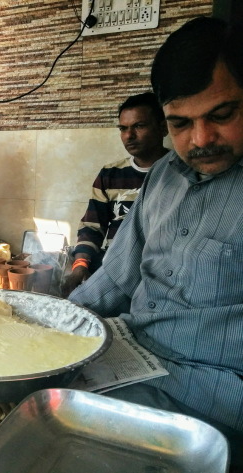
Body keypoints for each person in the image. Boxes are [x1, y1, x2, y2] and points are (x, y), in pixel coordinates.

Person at [69, 16, 243, 468]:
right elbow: (114, 277)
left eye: (221, 115)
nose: (201, 139)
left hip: (211, 397)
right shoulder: (163, 177)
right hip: (130, 357)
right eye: (181, 123)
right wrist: (58, 319)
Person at [63, 92, 169, 296]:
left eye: (139, 126)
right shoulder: (110, 175)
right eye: (123, 128)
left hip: (158, 277)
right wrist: (80, 267)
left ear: (163, 127)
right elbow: (92, 227)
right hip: (111, 270)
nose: (129, 136)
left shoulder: (180, 174)